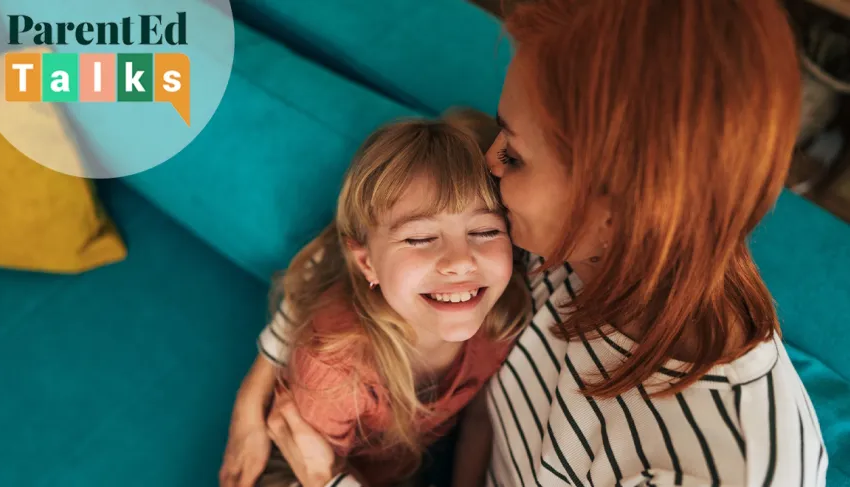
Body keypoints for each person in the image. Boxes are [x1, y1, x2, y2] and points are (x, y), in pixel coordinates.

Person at [259, 0, 829, 486]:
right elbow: (381, 237)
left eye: (516, 154)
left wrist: (324, 478)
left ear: (620, 209)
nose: (489, 164)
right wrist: (266, 372)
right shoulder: (561, 243)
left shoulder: (721, 464)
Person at [219, 118, 531, 487]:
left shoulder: (504, 318)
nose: (461, 261)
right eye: (420, 238)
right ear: (368, 264)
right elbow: (310, 467)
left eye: (485, 231)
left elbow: (481, 416)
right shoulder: (335, 369)